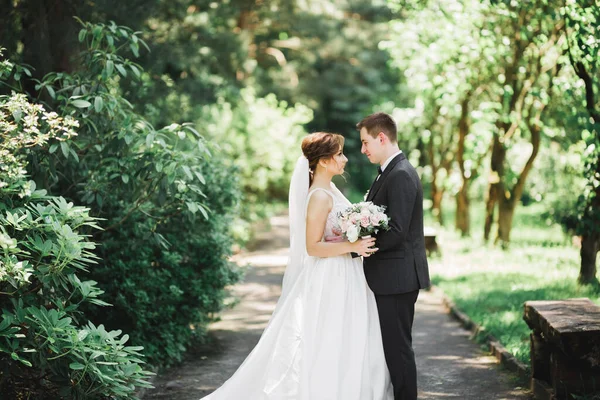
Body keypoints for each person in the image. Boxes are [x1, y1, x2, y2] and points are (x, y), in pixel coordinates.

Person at [200, 132, 393, 400]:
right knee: (330, 338)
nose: (345, 158)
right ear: (324, 161)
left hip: (346, 273)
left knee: (347, 337)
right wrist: (352, 246)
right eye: (339, 154)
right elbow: (312, 247)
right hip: (330, 276)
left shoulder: (330, 191)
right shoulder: (319, 197)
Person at [357, 112, 431, 400]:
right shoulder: (389, 171)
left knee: (399, 349)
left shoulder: (400, 173)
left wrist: (363, 245)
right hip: (391, 277)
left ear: (382, 138)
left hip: (397, 278)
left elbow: (398, 229)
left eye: (365, 143)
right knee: (393, 347)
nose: (363, 150)